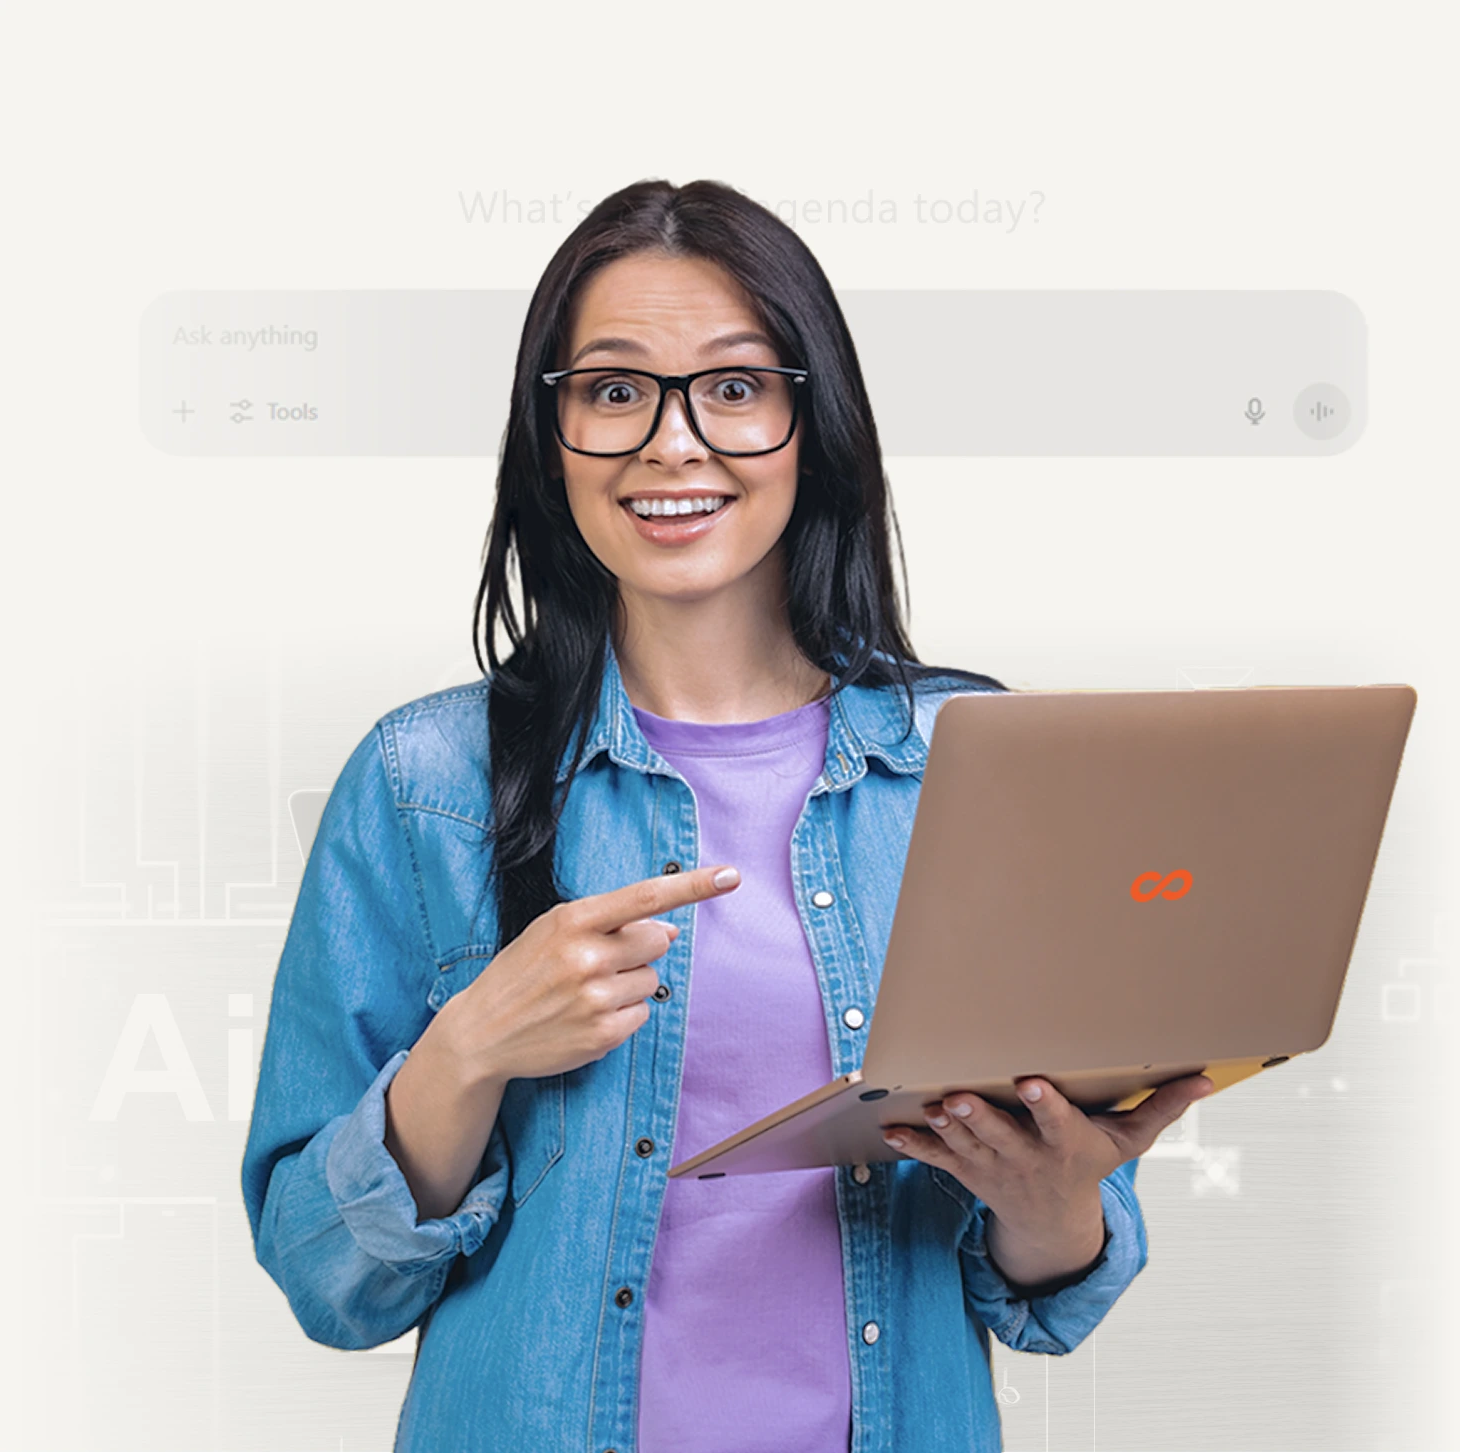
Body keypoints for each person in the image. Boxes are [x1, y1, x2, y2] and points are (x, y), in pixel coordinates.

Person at [240, 177, 1212, 1453]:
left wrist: (1057, 1198)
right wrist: (467, 1048)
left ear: (816, 424)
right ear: (553, 434)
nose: (673, 442)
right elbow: (328, 1280)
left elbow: (1046, 1292)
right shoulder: (427, 781)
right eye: (614, 388)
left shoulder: (977, 766)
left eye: (737, 387)